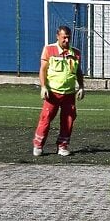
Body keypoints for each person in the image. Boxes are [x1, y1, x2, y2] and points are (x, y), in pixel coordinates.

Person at [32, 25, 85, 157]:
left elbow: (78, 71)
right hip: (52, 93)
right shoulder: (49, 49)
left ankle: (62, 146)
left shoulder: (76, 53)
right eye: (64, 38)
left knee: (68, 120)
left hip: (69, 93)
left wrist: (81, 87)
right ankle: (38, 145)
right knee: (46, 119)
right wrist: (43, 86)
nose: (66, 41)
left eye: (68, 38)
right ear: (58, 36)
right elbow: (43, 69)